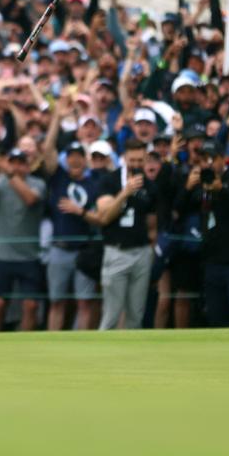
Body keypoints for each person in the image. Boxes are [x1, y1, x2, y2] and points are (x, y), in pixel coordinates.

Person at [178, 140, 229, 327]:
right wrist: (187, 189)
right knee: (216, 314)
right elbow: (178, 211)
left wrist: (221, 190)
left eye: (211, 158)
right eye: (202, 160)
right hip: (212, 260)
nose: (206, 163)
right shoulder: (201, 183)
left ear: (223, 159)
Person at [92, 139, 158, 330]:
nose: (136, 164)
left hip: (141, 252)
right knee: (111, 314)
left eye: (140, 160)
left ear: (145, 159)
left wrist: (151, 253)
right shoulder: (109, 180)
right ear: (124, 158)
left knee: (135, 315)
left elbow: (152, 225)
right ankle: (103, 355)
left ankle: (132, 357)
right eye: (132, 160)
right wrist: (125, 193)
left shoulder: (151, 187)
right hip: (116, 251)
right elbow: (104, 217)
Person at [0, 149, 46, 332]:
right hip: (1, 255)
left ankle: (26, 346)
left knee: (31, 305)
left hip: (29, 256)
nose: (16, 167)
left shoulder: (37, 183)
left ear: (28, 166)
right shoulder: (0, 183)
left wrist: (9, 173)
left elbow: (30, 199)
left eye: (20, 163)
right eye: (13, 162)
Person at [44, 142, 103, 331]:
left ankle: (82, 343)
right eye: (71, 156)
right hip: (59, 249)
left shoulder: (93, 184)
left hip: (83, 251)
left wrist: (80, 211)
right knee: (56, 302)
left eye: (79, 155)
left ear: (85, 160)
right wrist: (57, 117)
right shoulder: (59, 179)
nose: (75, 160)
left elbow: (100, 218)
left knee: (84, 302)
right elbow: (47, 151)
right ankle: (52, 344)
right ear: (66, 159)